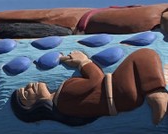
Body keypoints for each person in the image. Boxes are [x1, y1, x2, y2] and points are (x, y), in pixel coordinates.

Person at [11, 49, 168, 126]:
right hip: (117, 89)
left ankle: (159, 82)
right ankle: (156, 94)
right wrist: (83, 62)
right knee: (145, 55)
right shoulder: (63, 96)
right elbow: (95, 80)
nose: (30, 85)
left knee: (145, 64)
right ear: (34, 106)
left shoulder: (64, 110)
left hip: (122, 100)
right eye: (27, 93)